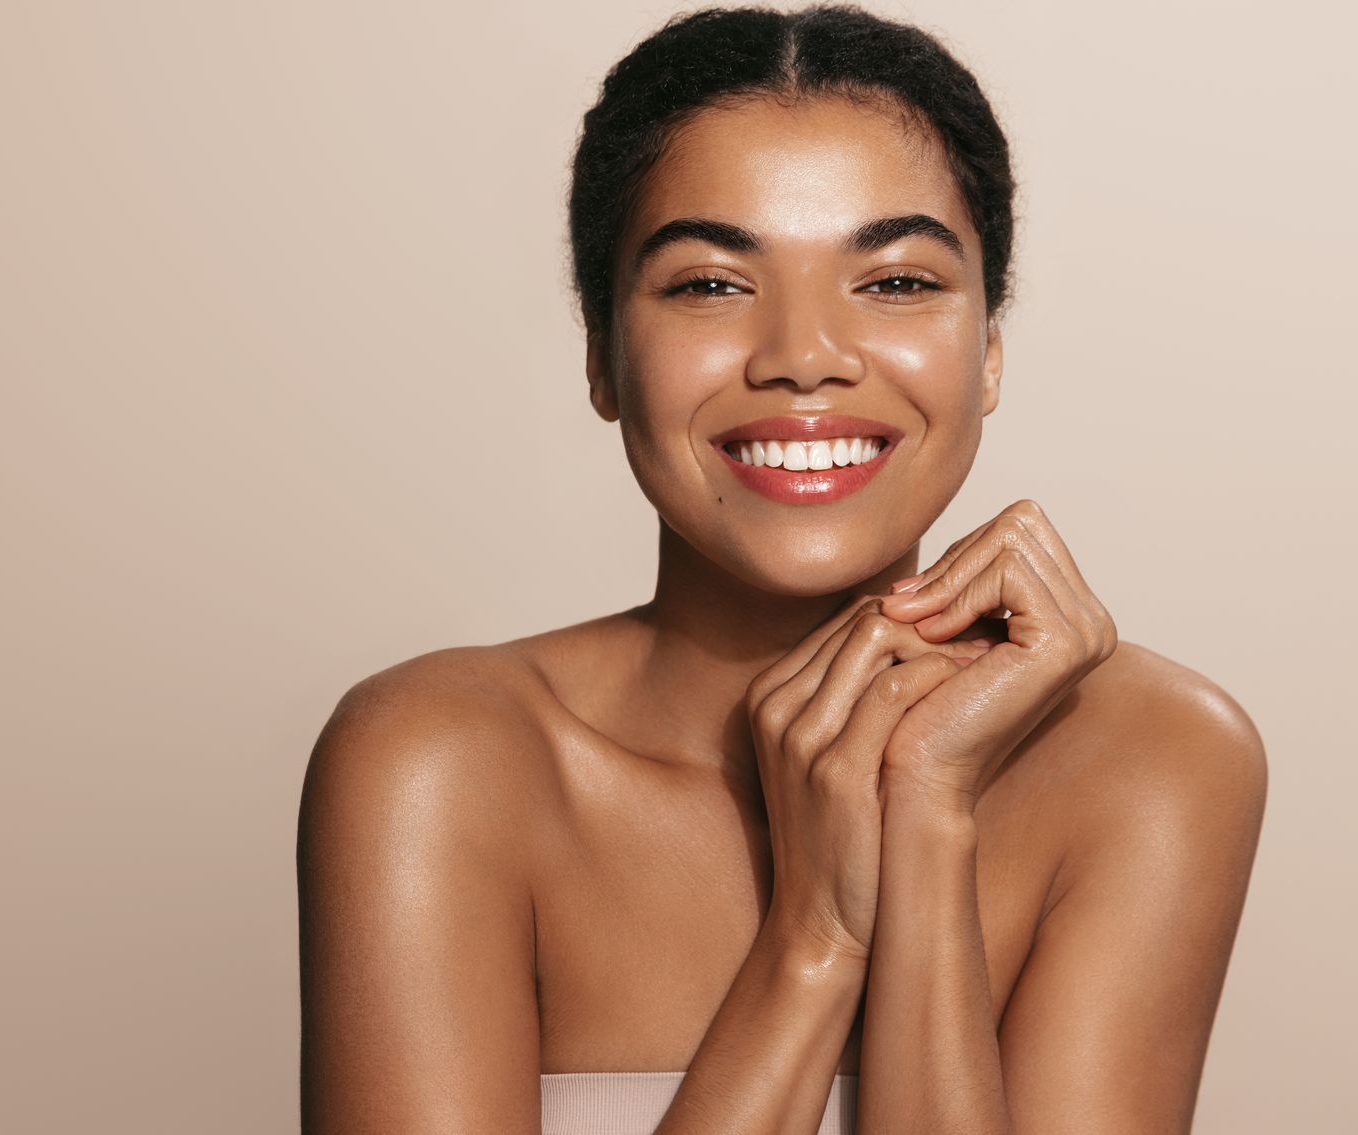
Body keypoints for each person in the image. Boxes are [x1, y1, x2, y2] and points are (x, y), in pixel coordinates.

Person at [294, 4, 1267, 1132]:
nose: (804, 358)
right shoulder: (438, 767)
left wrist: (930, 818)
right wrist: (817, 937)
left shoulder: (1155, 762)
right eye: (710, 283)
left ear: (988, 350)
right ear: (604, 358)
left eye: (897, 282)